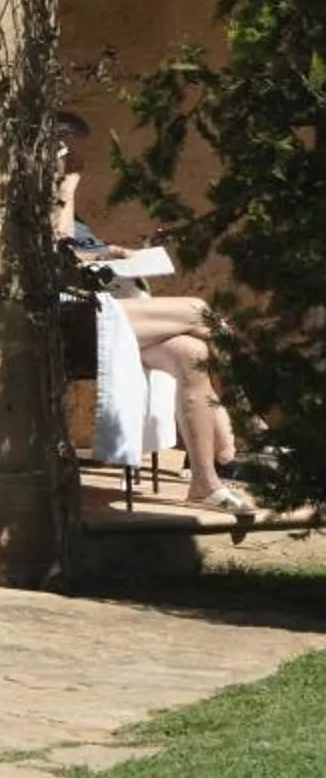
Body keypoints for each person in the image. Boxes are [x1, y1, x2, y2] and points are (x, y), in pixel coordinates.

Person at [54, 114, 251, 512]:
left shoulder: (61, 201)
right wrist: (67, 189)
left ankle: (205, 482)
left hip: (105, 310)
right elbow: (59, 251)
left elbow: (78, 250)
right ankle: (246, 424)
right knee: (199, 310)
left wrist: (116, 254)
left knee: (192, 353)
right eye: (65, 149)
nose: (72, 158)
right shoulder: (33, 193)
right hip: (67, 317)